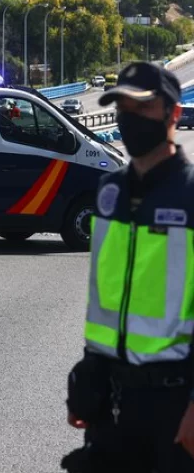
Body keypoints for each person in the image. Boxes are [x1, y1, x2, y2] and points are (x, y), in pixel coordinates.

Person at [61, 61, 194, 472]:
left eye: (142, 109)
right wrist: (89, 373)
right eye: (122, 109)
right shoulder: (110, 191)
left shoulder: (190, 196)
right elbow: (106, 295)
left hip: (175, 402)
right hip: (112, 398)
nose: (128, 119)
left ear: (173, 114)